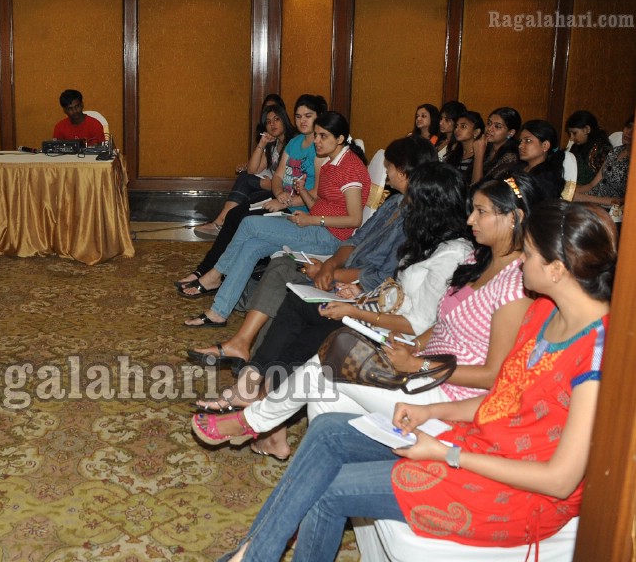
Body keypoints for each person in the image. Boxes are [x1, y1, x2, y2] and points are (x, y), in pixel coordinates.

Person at [204, 200, 614, 562]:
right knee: (329, 432)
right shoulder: (547, 315)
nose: (520, 261)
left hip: (512, 492)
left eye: (530, 254)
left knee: (328, 490)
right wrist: (430, 412)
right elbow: (502, 399)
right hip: (478, 442)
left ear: (558, 269)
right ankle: (250, 559)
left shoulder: (597, 356)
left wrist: (447, 452)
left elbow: (559, 480)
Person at [194, 172, 539, 460]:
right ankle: (299, 451)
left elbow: (494, 374)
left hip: (444, 387)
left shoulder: (510, 283)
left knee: (331, 352)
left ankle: (253, 419)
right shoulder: (474, 262)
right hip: (415, 352)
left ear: (514, 217)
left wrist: (410, 357)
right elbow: (436, 322)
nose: (470, 219)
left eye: (481, 212)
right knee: (326, 397)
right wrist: (369, 306)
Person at [184, 135, 436, 369]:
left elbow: (381, 274)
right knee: (278, 263)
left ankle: (253, 356)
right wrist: (329, 266)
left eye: (390, 167)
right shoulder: (393, 202)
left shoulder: (417, 220)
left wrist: (334, 273)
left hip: (361, 288)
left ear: (404, 171)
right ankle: (242, 344)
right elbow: (357, 239)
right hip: (340, 261)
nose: (387, 175)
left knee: (261, 241)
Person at [180, 111, 369, 327]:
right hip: (316, 226)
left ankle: (216, 273)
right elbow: (321, 204)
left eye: (323, 136)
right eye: (316, 135)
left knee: (249, 223)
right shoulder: (330, 163)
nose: (316, 141)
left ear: (340, 138)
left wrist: (313, 220)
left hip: (331, 237)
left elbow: (355, 220)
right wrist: (304, 193)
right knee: (251, 245)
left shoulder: (350, 168)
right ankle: (219, 311)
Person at [176, 96, 324, 292]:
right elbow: (278, 176)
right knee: (235, 214)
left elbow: (318, 192)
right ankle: (205, 270)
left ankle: (215, 273)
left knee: (243, 218)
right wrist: (279, 193)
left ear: (318, 117)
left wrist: (284, 201)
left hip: (298, 209)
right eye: (298, 116)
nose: (302, 121)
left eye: (308, 116)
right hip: (282, 199)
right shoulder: (295, 142)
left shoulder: (320, 147)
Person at [192, 95, 294, 238]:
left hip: (285, 192)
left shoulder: (293, 143)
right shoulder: (274, 143)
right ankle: (223, 223)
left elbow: (291, 177)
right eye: (268, 121)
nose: (272, 124)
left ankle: (221, 222)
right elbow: (253, 169)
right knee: (246, 178)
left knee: (245, 179)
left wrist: (272, 185)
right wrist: (262, 144)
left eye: (277, 119)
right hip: (272, 187)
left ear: (284, 119)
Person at [575, 113, 633, 209]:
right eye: (628, 126)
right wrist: (573, 192)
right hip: (592, 198)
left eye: (634, 130)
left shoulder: (633, 161)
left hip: (610, 209)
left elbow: (626, 200)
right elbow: (592, 184)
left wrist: (585, 198)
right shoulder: (615, 151)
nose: (629, 132)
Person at [517, 119, 565, 201]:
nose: (520, 146)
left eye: (528, 141)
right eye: (520, 141)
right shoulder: (518, 168)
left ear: (545, 146)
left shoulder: (546, 179)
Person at [471, 106, 520, 184]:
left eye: (497, 126)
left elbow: (478, 188)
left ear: (511, 132)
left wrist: (479, 155)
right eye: (489, 123)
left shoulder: (511, 158)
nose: (489, 129)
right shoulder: (486, 147)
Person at [566, 109, 613, 185]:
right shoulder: (576, 147)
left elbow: (603, 182)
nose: (571, 138)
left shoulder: (603, 149)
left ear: (587, 129)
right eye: (570, 134)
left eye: (574, 133)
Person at [442, 110, 483, 181]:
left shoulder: (480, 155)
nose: (457, 130)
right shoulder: (454, 152)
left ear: (476, 132)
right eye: (456, 126)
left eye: (463, 126)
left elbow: (478, 184)